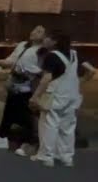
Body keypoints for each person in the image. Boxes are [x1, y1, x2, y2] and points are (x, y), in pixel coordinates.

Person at [31, 30, 84, 168]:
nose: (44, 40)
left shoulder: (52, 56)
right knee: (68, 127)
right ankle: (66, 157)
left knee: (49, 124)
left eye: (47, 38)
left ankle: (47, 156)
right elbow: (90, 70)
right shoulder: (74, 54)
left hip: (55, 95)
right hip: (72, 96)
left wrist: (35, 96)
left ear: (55, 41)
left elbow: (46, 78)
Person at [0, 25, 45, 152]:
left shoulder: (43, 51)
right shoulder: (23, 45)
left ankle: (30, 141)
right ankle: (2, 137)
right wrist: (1, 62)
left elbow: (39, 71)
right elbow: (12, 60)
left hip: (27, 86)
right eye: (34, 29)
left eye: (39, 31)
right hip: (14, 84)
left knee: (26, 115)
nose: (34, 32)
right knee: (8, 112)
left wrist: (21, 69)